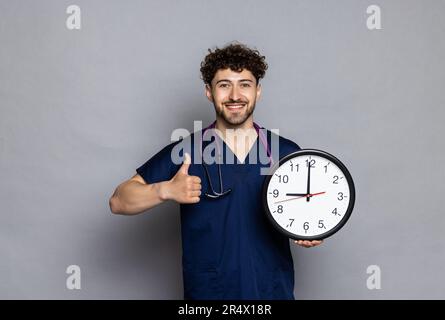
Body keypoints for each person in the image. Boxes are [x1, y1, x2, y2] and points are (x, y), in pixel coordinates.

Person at [109, 42, 322, 300]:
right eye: (224, 85)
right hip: (210, 294)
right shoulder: (187, 151)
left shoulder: (285, 152)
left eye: (245, 84)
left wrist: (309, 231)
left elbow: (311, 208)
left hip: (271, 291)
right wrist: (163, 189)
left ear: (258, 91)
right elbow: (119, 200)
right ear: (209, 92)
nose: (235, 95)